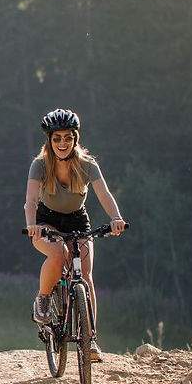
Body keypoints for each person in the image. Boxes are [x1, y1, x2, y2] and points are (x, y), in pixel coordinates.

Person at [24, 108, 126, 362]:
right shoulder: (39, 165)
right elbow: (30, 200)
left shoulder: (87, 165)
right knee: (59, 254)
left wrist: (115, 217)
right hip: (46, 219)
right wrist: (32, 225)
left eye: (67, 137)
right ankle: (44, 299)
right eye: (57, 138)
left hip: (77, 219)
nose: (62, 143)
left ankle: (90, 339)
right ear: (49, 140)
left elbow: (104, 194)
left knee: (86, 275)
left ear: (75, 138)